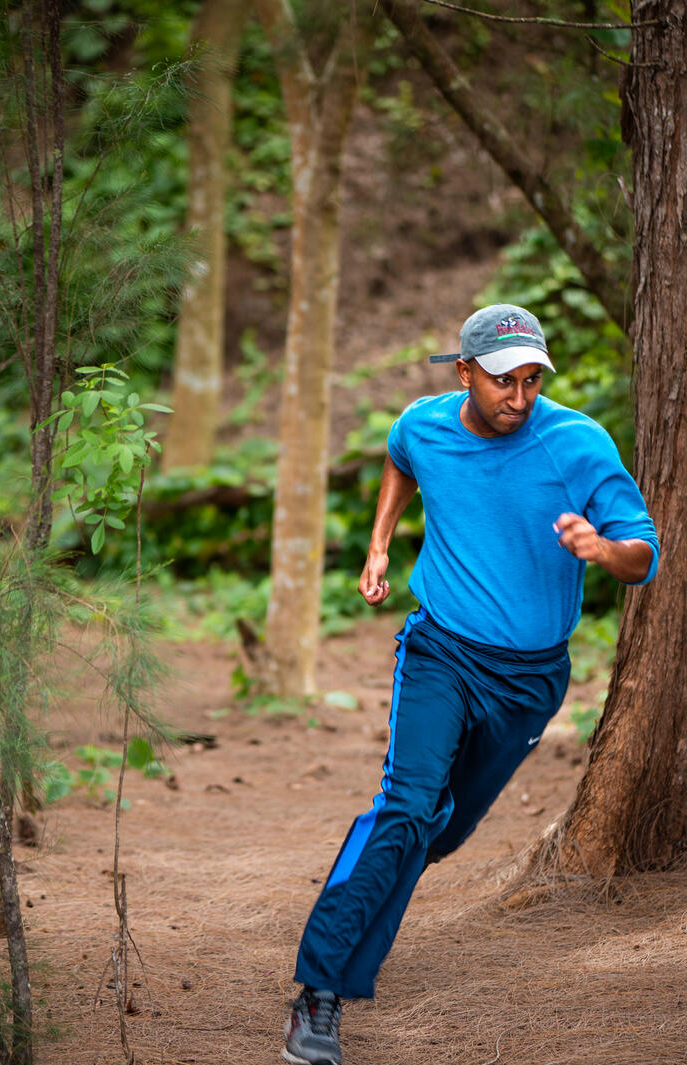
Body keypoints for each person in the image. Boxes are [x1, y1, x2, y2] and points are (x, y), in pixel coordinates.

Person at [281, 304, 660, 1065]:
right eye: (501, 381)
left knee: (438, 833)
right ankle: (319, 992)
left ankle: (377, 862)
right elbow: (399, 455)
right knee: (410, 808)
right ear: (464, 372)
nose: (517, 397)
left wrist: (602, 548)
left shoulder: (576, 443)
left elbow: (645, 551)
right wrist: (381, 543)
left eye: (529, 380)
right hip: (442, 652)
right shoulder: (427, 424)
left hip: (529, 682)